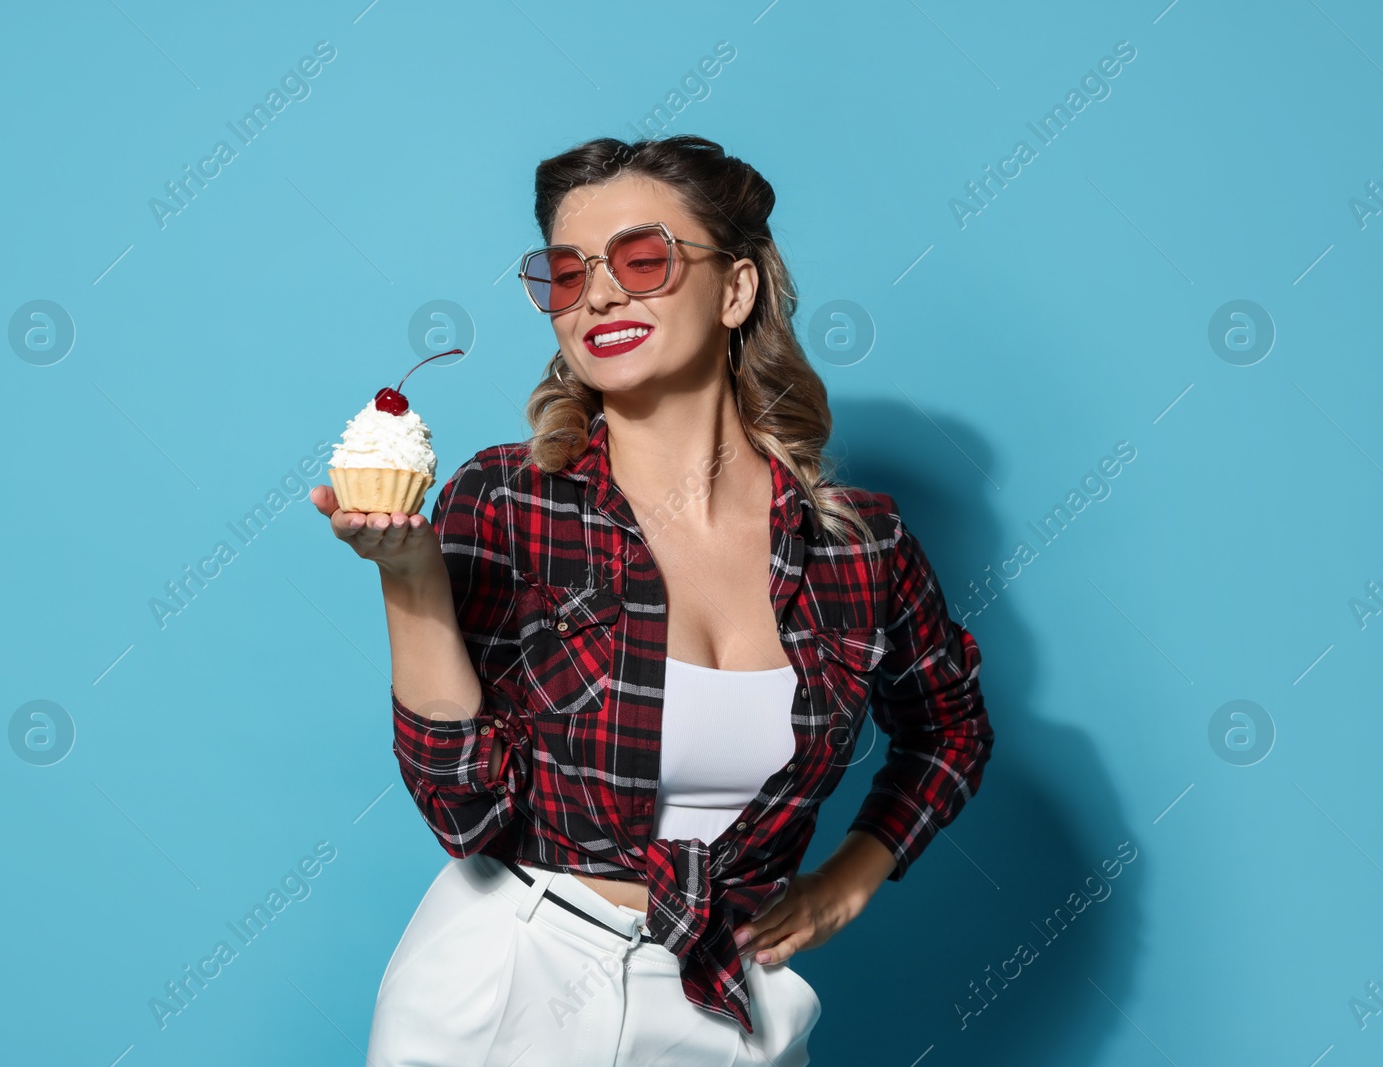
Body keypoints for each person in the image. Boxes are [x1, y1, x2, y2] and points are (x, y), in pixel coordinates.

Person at [313, 133, 995, 1067]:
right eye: (566, 273)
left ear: (737, 289)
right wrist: (410, 577)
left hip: (724, 999)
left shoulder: (859, 546)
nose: (597, 294)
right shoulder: (509, 501)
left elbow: (950, 729)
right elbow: (463, 811)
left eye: (643, 259)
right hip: (510, 977)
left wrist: (850, 878)